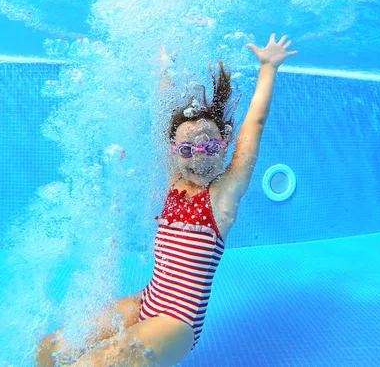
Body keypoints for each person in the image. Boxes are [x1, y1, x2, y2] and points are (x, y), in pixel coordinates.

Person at [36, 34, 297, 367]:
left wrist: (268, 68)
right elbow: (164, 116)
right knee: (53, 348)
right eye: (187, 150)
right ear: (175, 150)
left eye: (210, 148)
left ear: (225, 144)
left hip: (178, 323)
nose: (198, 157)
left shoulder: (223, 195)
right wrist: (164, 71)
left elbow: (254, 127)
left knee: (94, 364)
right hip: (148, 302)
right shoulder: (173, 180)